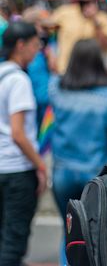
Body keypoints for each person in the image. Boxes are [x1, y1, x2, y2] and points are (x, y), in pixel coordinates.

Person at [48, 38, 107, 265]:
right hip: (95, 175)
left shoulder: (58, 91)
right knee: (97, 233)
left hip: (62, 173)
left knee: (68, 229)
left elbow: (46, 79)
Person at [0, 21, 47, 266]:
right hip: (17, 170)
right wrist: (40, 165)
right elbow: (18, 134)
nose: (37, 51)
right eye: (35, 45)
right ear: (20, 45)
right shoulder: (18, 80)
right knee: (13, 243)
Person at [49, 0, 107, 74]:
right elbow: (47, 33)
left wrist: (94, 20)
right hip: (64, 71)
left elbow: (106, 46)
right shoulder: (64, 12)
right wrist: (50, 56)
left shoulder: (103, 18)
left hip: (91, 73)